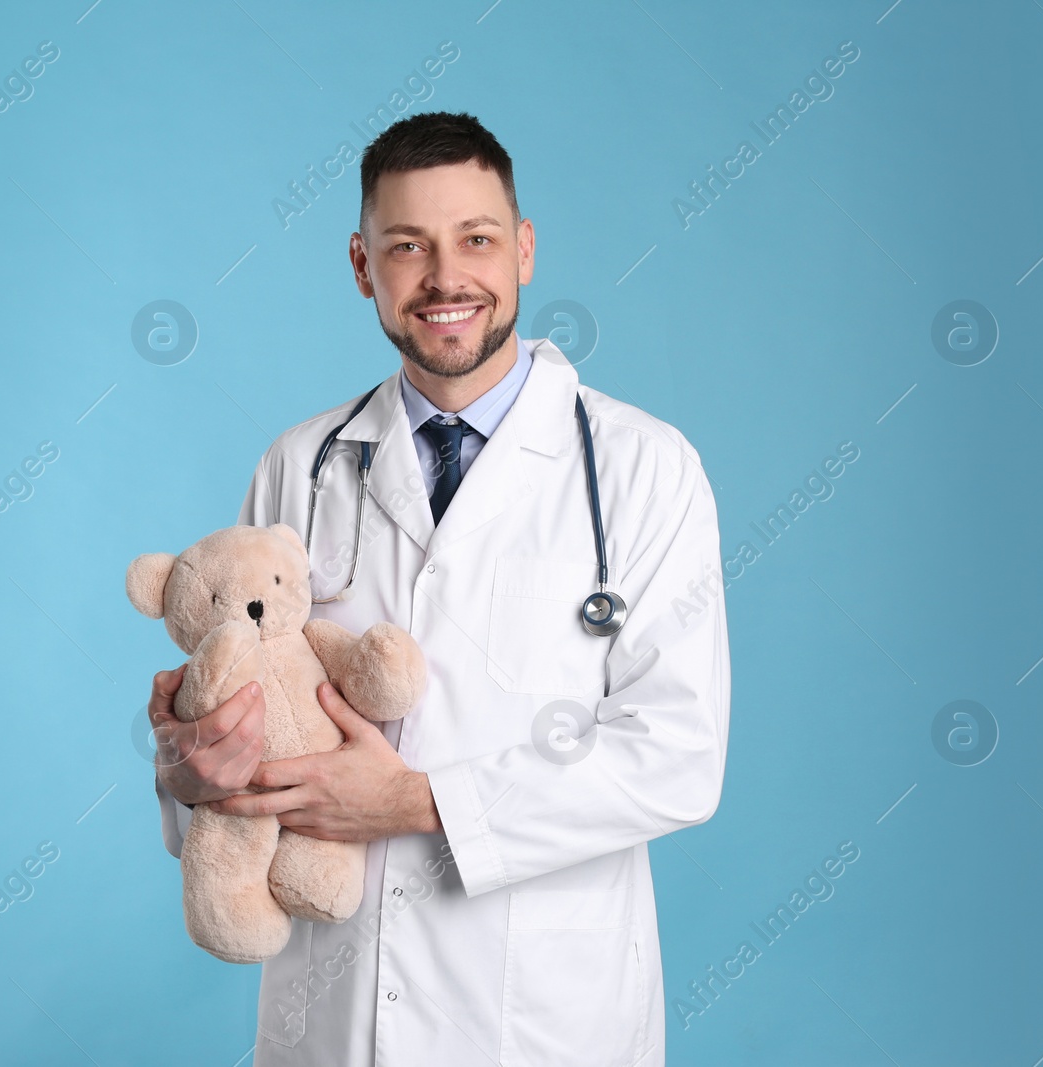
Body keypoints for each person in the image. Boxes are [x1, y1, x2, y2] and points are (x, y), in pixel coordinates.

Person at [146, 111, 730, 1067]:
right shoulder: (301, 465)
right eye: (407, 246)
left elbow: (678, 752)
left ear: (525, 251)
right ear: (361, 264)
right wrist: (186, 771)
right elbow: (243, 714)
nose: (446, 277)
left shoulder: (642, 468)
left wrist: (422, 802)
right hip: (334, 1015)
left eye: (477, 240)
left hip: (547, 1020)